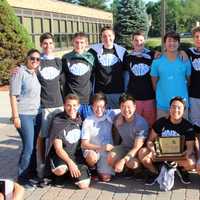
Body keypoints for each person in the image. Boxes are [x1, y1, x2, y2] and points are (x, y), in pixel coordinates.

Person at [138, 96, 196, 184]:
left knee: (191, 163)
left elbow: (190, 148)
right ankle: (155, 172)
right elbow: (150, 140)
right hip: (159, 154)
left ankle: (182, 170)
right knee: (142, 153)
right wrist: (153, 150)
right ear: (169, 108)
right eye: (173, 107)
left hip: (179, 156)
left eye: (179, 108)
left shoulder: (188, 127)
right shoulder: (161, 122)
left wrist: (181, 156)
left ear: (184, 110)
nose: (175, 110)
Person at [10, 49, 42, 188]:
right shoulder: (19, 73)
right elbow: (12, 95)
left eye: (37, 59)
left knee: (33, 146)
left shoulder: (35, 73)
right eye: (32, 58)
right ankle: (22, 179)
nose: (35, 61)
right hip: (24, 115)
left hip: (36, 114)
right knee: (28, 147)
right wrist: (15, 116)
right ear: (27, 58)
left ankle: (32, 173)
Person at [46, 94, 90, 189]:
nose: (71, 108)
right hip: (61, 156)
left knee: (84, 185)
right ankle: (63, 175)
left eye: (74, 105)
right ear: (64, 106)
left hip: (76, 156)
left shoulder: (81, 120)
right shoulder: (58, 121)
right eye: (68, 105)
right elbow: (58, 149)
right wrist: (70, 163)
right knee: (60, 169)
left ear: (78, 106)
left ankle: (72, 174)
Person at [36, 32, 64, 178]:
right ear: (41, 45)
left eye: (51, 43)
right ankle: (41, 169)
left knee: (57, 138)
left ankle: (57, 166)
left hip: (59, 105)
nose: (48, 46)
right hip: (44, 106)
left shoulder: (59, 62)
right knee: (42, 137)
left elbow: (64, 83)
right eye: (45, 43)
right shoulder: (36, 61)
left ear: (54, 45)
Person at [151, 31, 191, 119]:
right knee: (163, 132)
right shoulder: (157, 61)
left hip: (181, 105)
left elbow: (189, 82)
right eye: (169, 40)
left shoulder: (185, 60)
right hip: (163, 104)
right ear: (165, 43)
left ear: (179, 43)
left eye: (175, 41)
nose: (172, 43)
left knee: (182, 132)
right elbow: (154, 84)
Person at [81, 93, 119, 182]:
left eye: (101, 106)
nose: (99, 109)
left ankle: (101, 169)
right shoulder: (88, 120)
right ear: (92, 107)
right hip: (93, 150)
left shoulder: (111, 115)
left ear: (105, 106)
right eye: (96, 106)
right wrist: (101, 147)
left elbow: (124, 115)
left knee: (106, 178)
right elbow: (84, 144)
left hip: (107, 152)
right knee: (92, 157)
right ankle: (92, 168)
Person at [107, 93, 149, 174]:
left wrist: (123, 160)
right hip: (124, 146)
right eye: (123, 106)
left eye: (129, 107)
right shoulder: (118, 117)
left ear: (135, 107)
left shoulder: (140, 123)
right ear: (120, 107)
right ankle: (125, 170)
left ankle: (139, 171)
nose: (126, 110)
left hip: (137, 151)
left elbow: (137, 147)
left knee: (132, 163)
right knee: (110, 158)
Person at [89, 26, 128, 109]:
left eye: (110, 35)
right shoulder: (93, 51)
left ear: (114, 36)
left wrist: (152, 53)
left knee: (117, 119)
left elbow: (126, 73)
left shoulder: (122, 51)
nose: (107, 38)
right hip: (100, 93)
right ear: (101, 38)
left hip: (117, 93)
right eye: (104, 36)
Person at [124, 31, 156, 126]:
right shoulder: (128, 57)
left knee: (150, 122)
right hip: (134, 96)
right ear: (132, 42)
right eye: (136, 40)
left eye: (141, 40)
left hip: (149, 96)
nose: (138, 43)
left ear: (144, 41)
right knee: (135, 122)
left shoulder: (152, 55)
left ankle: (149, 141)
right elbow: (126, 76)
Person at [62, 32, 94, 120]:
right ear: (73, 42)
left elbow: (93, 77)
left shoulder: (91, 58)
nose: (79, 45)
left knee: (87, 127)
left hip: (86, 99)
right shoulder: (66, 58)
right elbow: (63, 79)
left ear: (86, 43)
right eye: (77, 42)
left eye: (82, 42)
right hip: (72, 101)